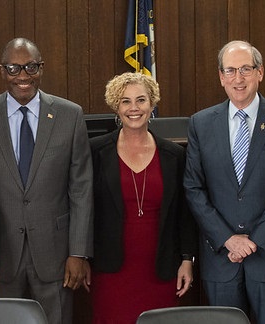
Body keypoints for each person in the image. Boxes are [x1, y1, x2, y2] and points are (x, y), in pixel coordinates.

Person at [0, 37, 93, 324]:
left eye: (31, 67)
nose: (23, 76)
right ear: (2, 71)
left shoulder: (69, 115)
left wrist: (79, 252)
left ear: (42, 68)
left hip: (56, 256)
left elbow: (81, 189)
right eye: (13, 68)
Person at [183, 40, 265, 324]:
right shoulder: (200, 123)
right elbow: (193, 187)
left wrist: (256, 241)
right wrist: (228, 239)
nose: (238, 78)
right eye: (230, 70)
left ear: (260, 72)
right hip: (221, 257)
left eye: (246, 69)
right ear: (221, 76)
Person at [89, 72, 197, 323]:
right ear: (116, 106)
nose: (134, 108)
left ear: (152, 104)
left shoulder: (174, 155)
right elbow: (83, 207)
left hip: (161, 267)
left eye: (141, 100)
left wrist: (187, 259)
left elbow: (185, 212)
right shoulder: (96, 151)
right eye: (125, 101)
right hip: (110, 267)